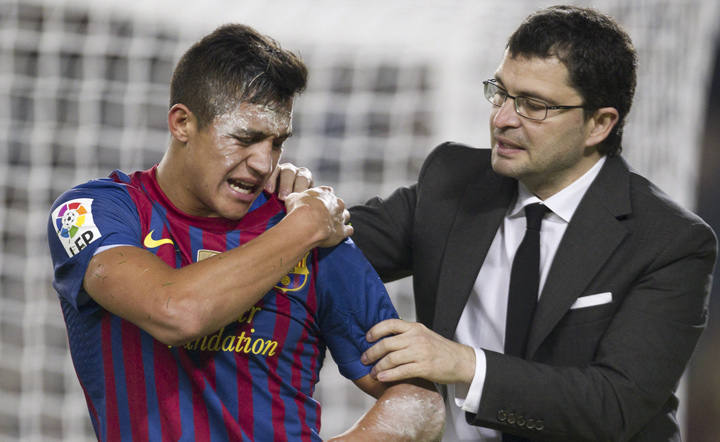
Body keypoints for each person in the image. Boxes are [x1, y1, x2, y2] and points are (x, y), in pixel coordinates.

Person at [47, 24, 443, 441]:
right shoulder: (92, 212)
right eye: (245, 139)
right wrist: (303, 227)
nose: (263, 163)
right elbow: (176, 312)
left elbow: (419, 399)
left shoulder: (317, 239)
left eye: (276, 143)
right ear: (182, 123)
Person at [345, 5, 718, 442]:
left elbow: (615, 405)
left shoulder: (669, 241)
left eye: (533, 105)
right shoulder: (451, 180)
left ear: (599, 124)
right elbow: (334, 247)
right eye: (500, 93)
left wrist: (465, 364)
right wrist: (297, 204)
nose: (502, 119)